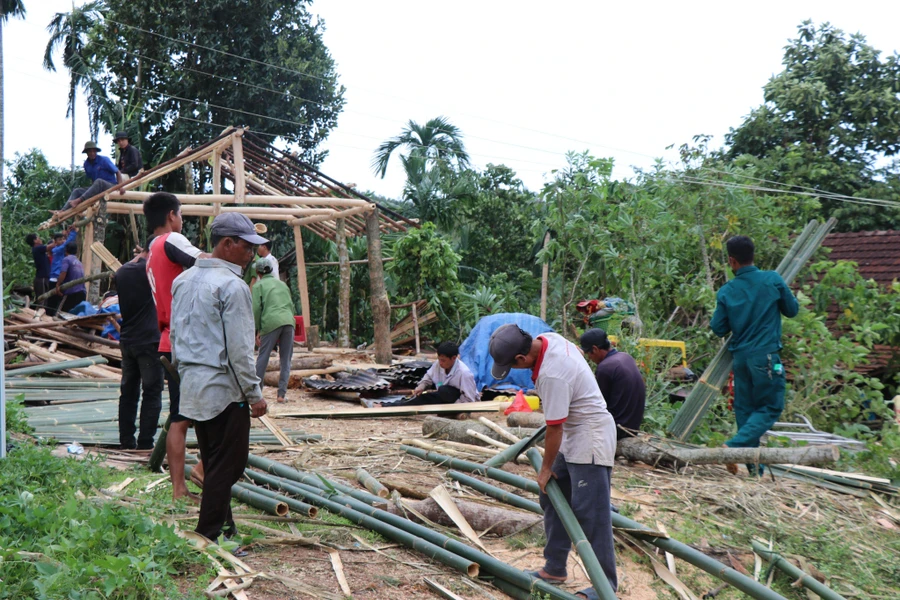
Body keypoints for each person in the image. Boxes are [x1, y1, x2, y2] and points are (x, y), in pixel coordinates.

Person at [489, 323, 618, 597]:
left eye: (515, 367)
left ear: (522, 359)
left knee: (591, 513)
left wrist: (546, 467)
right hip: (574, 433)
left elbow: (554, 427)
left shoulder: (552, 375)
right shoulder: (547, 338)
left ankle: (605, 584)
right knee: (552, 496)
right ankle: (555, 566)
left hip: (590, 437)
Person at [170, 213, 268, 543]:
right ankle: (207, 535)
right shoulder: (232, 286)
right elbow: (240, 351)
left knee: (214, 462)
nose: (251, 254)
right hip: (226, 390)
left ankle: (226, 529)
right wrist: (254, 395)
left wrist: (183, 373)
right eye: (246, 247)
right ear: (227, 244)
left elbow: (176, 336)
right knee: (230, 465)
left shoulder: (183, 281)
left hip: (194, 385)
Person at [711, 235, 799, 475]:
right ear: (753, 255)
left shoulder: (727, 291)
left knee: (745, 412)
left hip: (740, 360)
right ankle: (733, 447)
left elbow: (718, 327)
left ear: (732, 260)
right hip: (767, 359)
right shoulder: (773, 280)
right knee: (770, 407)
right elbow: (792, 311)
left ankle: (755, 473)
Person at [145, 191, 210, 501]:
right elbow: (208, 262)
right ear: (171, 215)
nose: (181, 221)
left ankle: (179, 488)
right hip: (187, 341)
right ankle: (202, 470)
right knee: (209, 409)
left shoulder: (151, 250)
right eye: (181, 215)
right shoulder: (172, 240)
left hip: (168, 340)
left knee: (180, 415)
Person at [115, 248, 164, 450]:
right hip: (149, 342)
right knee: (152, 392)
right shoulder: (153, 271)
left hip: (127, 340)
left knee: (128, 392)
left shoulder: (122, 272)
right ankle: (145, 443)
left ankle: (126, 440)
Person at [580, 328, 646, 440]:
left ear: (595, 349)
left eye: (588, 354)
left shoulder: (605, 368)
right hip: (633, 427)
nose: (589, 358)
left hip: (617, 430)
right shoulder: (626, 357)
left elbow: (598, 405)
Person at [252, 259, 295, 404]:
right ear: (271, 270)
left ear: (258, 272)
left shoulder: (258, 286)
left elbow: (256, 309)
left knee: (263, 357)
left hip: (270, 322)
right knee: (285, 359)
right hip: (288, 320)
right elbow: (291, 305)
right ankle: (281, 395)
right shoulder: (282, 284)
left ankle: (257, 393)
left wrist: (257, 330)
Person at [409, 342, 480, 405]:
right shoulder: (438, 364)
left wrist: (452, 407)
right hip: (443, 397)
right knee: (422, 399)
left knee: (444, 390)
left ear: (454, 358)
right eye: (439, 359)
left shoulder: (464, 373)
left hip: (459, 401)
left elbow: (469, 398)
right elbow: (429, 376)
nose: (440, 363)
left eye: (443, 360)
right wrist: (422, 386)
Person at [61, 141, 125, 210]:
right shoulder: (86, 164)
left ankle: (79, 200)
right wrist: (91, 191)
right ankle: (62, 211)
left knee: (99, 181)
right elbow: (92, 179)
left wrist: (120, 186)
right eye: (90, 152)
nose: (92, 153)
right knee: (77, 191)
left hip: (110, 186)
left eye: (94, 151)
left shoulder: (104, 160)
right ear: (87, 153)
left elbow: (117, 172)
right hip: (97, 188)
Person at [47, 227, 77, 315]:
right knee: (53, 299)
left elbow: (67, 244)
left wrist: (69, 234)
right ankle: (49, 315)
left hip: (58, 278)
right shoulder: (56, 250)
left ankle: (54, 315)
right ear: (55, 242)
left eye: (63, 239)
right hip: (55, 278)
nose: (62, 241)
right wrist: (73, 233)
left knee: (58, 299)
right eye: (60, 240)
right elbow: (66, 244)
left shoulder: (60, 251)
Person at [55, 241, 86, 313]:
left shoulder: (67, 259)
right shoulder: (79, 262)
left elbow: (63, 272)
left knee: (61, 313)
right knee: (77, 314)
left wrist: (58, 285)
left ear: (66, 250)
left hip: (72, 293)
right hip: (82, 293)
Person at [26, 233, 51, 303]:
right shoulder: (38, 248)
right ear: (35, 241)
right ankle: (39, 312)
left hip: (42, 278)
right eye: (38, 238)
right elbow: (51, 246)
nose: (40, 239)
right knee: (43, 300)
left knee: (43, 299)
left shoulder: (38, 249)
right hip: (42, 278)